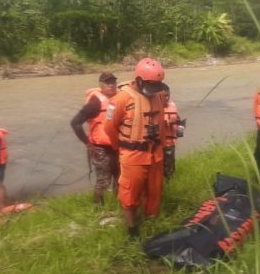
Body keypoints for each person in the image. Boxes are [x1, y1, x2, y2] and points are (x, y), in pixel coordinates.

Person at [104, 57, 168, 239]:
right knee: (129, 194)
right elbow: (109, 128)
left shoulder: (158, 95)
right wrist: (121, 148)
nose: (154, 89)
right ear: (138, 80)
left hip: (155, 154)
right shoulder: (121, 99)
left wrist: (164, 149)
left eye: (157, 84)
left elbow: (161, 125)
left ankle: (152, 224)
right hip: (133, 155)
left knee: (154, 192)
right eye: (151, 84)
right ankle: (133, 230)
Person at [70, 71, 120, 205]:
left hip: (118, 146)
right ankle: (98, 209)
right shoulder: (95, 102)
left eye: (113, 82)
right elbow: (75, 123)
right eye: (107, 83)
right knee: (103, 181)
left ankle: (119, 205)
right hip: (100, 148)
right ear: (101, 85)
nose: (111, 85)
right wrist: (88, 144)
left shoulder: (120, 98)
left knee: (120, 179)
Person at [162, 86, 185, 180]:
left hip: (171, 142)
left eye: (168, 95)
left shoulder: (172, 105)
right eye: (164, 96)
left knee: (170, 166)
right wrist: (168, 122)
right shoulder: (154, 107)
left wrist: (181, 125)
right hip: (159, 143)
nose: (166, 98)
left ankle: (170, 183)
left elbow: (178, 120)